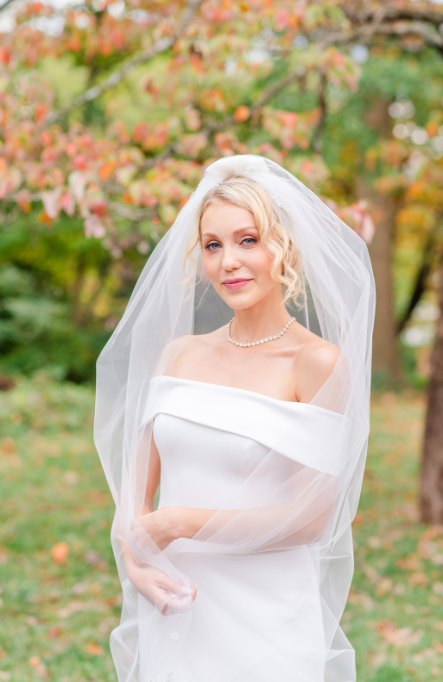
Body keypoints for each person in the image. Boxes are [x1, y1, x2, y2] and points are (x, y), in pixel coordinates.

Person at [94, 155, 375, 682]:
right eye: (212, 245)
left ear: (284, 247)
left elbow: (311, 519)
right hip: (177, 604)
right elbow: (136, 494)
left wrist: (179, 523)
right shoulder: (178, 355)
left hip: (266, 616)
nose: (228, 262)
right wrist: (137, 564)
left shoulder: (315, 364)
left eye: (248, 240)